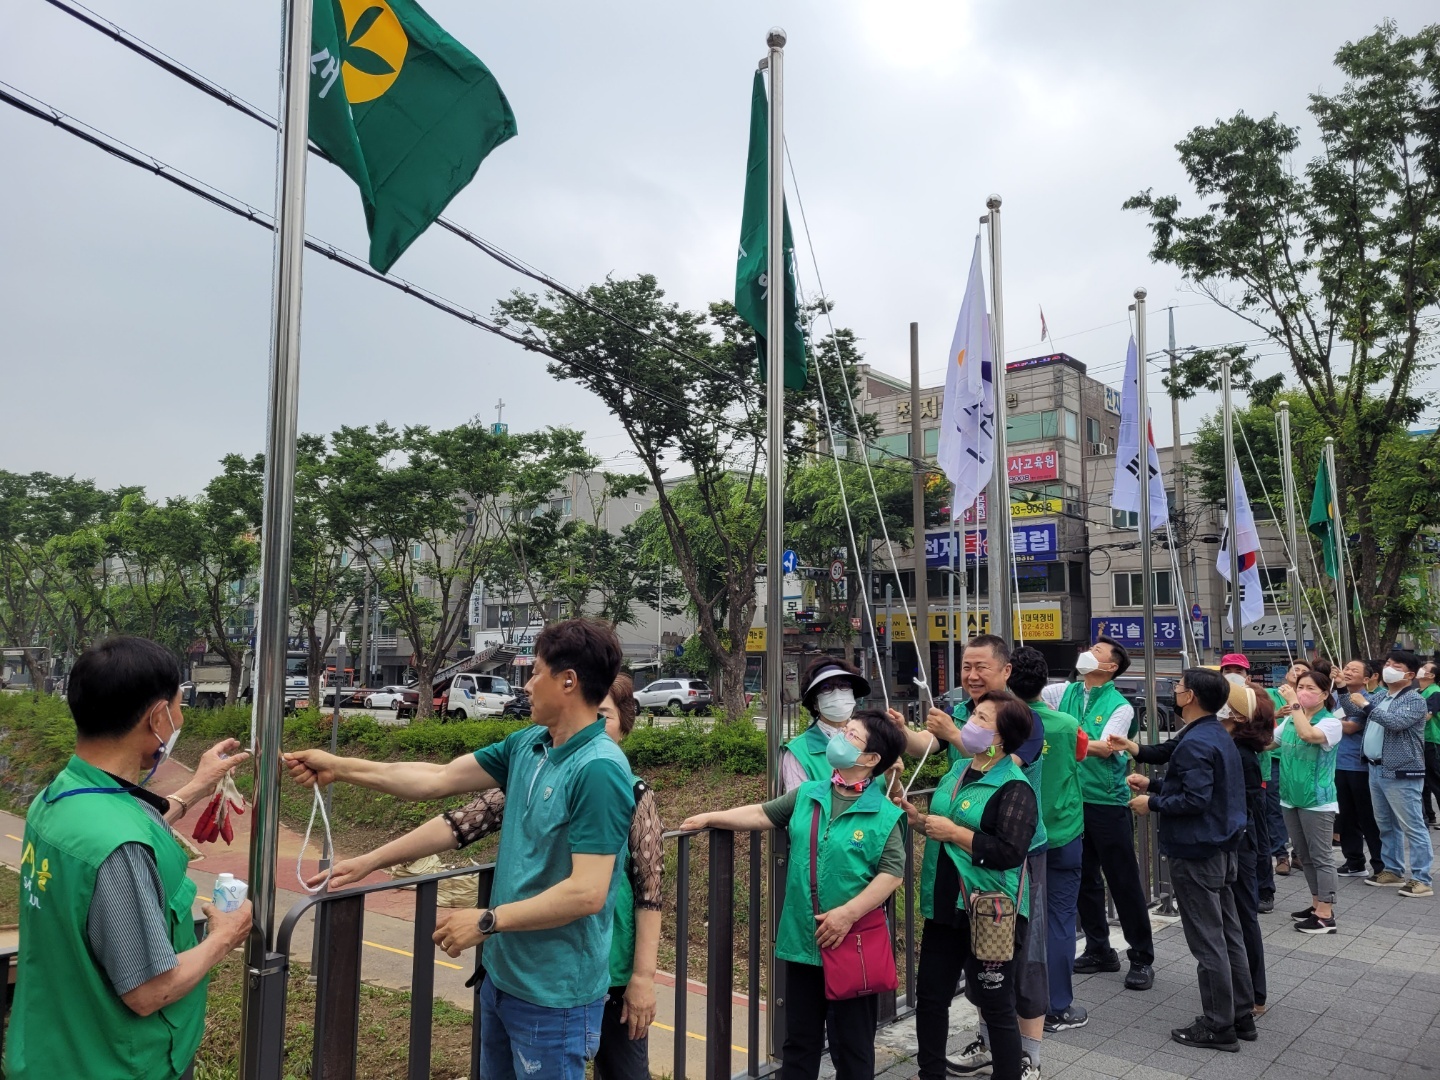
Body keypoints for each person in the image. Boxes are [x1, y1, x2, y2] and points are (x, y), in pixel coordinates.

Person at [284, 618, 636, 1080]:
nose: (527, 685)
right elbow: (438, 779)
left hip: (554, 999)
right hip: (503, 980)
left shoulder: (599, 770)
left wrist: (489, 920)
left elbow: (587, 893)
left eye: (535, 672)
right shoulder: (531, 745)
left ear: (568, 681)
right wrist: (339, 767)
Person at [5, 636, 254, 1080]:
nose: (179, 719)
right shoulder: (122, 850)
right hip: (115, 1064)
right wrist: (224, 937)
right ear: (157, 716)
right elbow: (150, 991)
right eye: (178, 707)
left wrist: (198, 784)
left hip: (49, 1050)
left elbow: (127, 818)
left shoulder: (58, 797)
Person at [682, 709, 904, 1080]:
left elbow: (892, 873)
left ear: (870, 760)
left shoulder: (883, 812)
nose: (839, 738)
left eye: (851, 735)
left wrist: (847, 914)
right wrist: (711, 817)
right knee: (799, 1044)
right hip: (804, 940)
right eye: (844, 730)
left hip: (852, 946)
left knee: (853, 1048)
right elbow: (762, 815)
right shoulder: (809, 794)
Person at [896, 636, 1048, 1078]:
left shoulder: (1015, 771)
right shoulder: (962, 768)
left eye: (981, 719)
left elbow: (1008, 850)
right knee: (932, 994)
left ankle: (1016, 1065)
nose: (971, 719)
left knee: (996, 998)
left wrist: (956, 833)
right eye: (966, 666)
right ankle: (931, 1072)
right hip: (945, 899)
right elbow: (930, 767)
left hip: (990, 905)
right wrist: (918, 818)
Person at [1126, 668, 1254, 1050]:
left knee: (1208, 940)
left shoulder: (1199, 741)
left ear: (1190, 698)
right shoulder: (1213, 733)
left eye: (1179, 688)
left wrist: (1152, 802)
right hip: (1222, 847)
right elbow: (1203, 790)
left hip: (1198, 851)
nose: (1175, 692)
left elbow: (1195, 801)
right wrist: (1155, 784)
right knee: (1229, 934)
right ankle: (1240, 1014)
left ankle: (1218, 1025)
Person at [1041, 636, 1155, 992]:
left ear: (1110, 667)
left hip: (1107, 801)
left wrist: (1067, 740)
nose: (1087, 655)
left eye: (1098, 652)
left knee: (1122, 878)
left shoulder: (1120, 706)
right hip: (1073, 800)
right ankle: (1099, 948)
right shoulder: (1066, 692)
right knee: (1084, 877)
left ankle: (1141, 956)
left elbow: (1107, 748)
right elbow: (1033, 699)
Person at [1008, 646, 1091, 1034]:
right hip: (1064, 831)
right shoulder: (1065, 722)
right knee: (1059, 920)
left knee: (1021, 921)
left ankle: (1018, 1004)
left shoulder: (1007, 725)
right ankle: (1058, 1005)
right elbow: (1082, 755)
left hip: (1016, 838)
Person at [1356, 650, 1433, 897]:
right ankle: (1393, 870)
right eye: (1387, 663)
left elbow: (1395, 722)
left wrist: (1366, 704)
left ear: (1409, 674)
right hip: (1376, 768)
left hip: (1402, 771)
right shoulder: (1384, 696)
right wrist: (1343, 685)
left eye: (1395, 665)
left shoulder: (1414, 699)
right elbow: (1354, 704)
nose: (1389, 667)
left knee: (1412, 825)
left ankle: (1422, 878)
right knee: (1386, 824)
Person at [1275, 666, 1344, 932]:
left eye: (1310, 689)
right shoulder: (1291, 719)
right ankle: (1317, 904)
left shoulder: (1330, 721)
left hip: (1317, 800)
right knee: (1304, 855)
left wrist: (1293, 703)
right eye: (1300, 687)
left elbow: (1308, 735)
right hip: (1290, 797)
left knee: (1321, 856)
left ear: (1325, 694)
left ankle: (1326, 914)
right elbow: (1271, 742)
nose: (1303, 693)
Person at [1220, 654, 1275, 912]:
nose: (1232, 673)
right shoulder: (1215, 699)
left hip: (1255, 776)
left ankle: (1264, 890)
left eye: (1237, 670)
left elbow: (1268, 737)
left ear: (1247, 675)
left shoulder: (1258, 699)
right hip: (1225, 779)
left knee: (1257, 836)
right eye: (1227, 669)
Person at [783, 657, 872, 790]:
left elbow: (891, 797)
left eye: (843, 685)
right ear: (815, 703)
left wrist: (894, 785)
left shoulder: (873, 739)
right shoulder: (800, 752)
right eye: (826, 688)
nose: (837, 693)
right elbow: (801, 806)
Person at [1335, 659, 1385, 878]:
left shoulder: (1370, 700)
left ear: (1366, 679)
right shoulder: (1335, 698)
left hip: (1360, 766)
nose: (1347, 672)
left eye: (1354, 670)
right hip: (1337, 764)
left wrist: (1322, 720)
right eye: (1346, 668)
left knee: (1367, 817)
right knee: (1345, 816)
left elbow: (1351, 727)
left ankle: (1380, 865)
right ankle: (1354, 861)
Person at [1262, 659, 1310, 877]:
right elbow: (1257, 716)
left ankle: (1299, 854)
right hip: (1274, 757)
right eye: (1295, 669)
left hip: (1299, 758)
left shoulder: (1310, 697)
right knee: (1275, 808)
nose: (1298, 672)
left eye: (1303, 671)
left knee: (1298, 806)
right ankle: (1281, 854)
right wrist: (1276, 715)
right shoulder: (1269, 693)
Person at [1418, 661, 1440, 828]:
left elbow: (1427, 716)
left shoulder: (1435, 692)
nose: (1421, 669)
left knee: (1435, 780)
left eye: (1424, 668)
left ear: (1431, 676)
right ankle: (1429, 816)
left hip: (1432, 741)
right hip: (1420, 741)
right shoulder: (1419, 691)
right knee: (1423, 781)